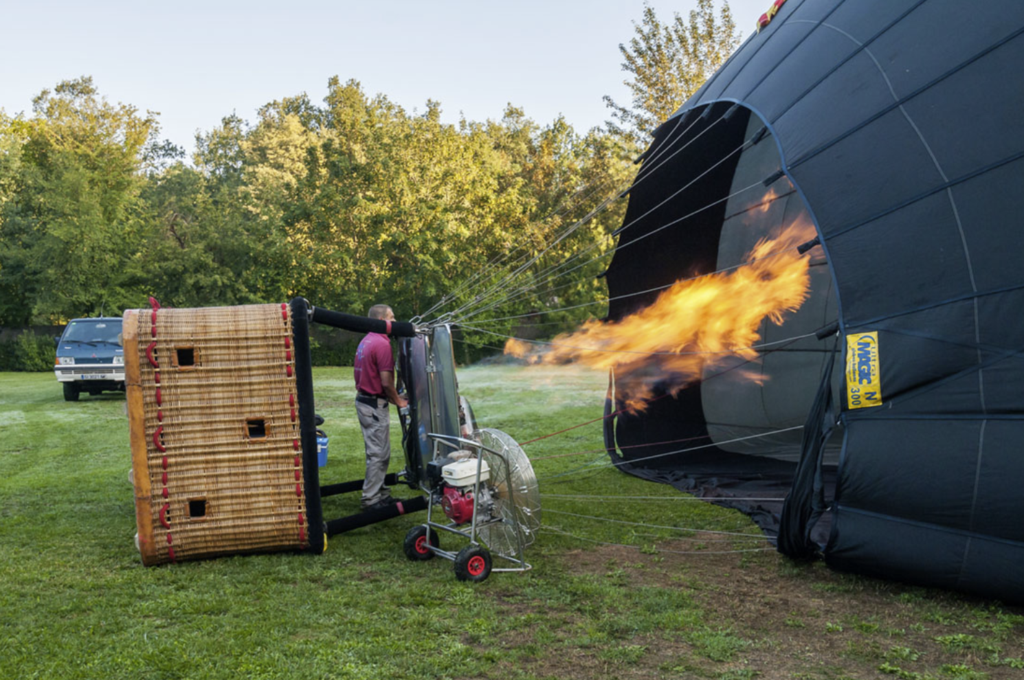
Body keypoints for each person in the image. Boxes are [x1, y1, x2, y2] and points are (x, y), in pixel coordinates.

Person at [353, 304, 408, 511]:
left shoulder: (367, 340)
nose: (394, 322)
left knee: (380, 452)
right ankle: (370, 500)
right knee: (378, 454)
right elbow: (386, 382)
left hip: (365, 401)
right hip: (373, 405)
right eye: (391, 318)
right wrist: (399, 401)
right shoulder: (383, 344)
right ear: (381, 321)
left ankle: (381, 494)